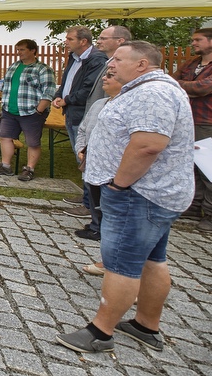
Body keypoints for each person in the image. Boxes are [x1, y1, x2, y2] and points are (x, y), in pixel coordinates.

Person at [56, 41, 194, 354]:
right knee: (151, 259)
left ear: (142, 64)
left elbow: (148, 145)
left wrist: (118, 184)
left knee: (121, 264)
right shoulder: (147, 89)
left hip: (139, 194)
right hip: (148, 194)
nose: (110, 64)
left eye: (118, 58)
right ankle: (146, 325)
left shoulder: (152, 93)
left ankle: (99, 333)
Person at [66, 25, 132, 235]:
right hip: (91, 115)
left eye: (104, 38)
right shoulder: (104, 61)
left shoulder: (107, 63)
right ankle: (91, 206)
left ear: (120, 41)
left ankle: (98, 218)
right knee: (86, 162)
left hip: (106, 125)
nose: (99, 41)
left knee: (101, 174)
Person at [174, 27, 212, 233]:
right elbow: (171, 81)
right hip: (186, 121)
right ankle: (193, 206)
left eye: (198, 40)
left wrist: (183, 85)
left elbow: (204, 88)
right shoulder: (192, 63)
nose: (193, 43)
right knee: (190, 167)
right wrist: (189, 84)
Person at [74, 70, 123, 275]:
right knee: (101, 214)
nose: (105, 78)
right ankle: (108, 258)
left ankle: (117, 266)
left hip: (114, 173)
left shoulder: (126, 106)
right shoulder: (99, 104)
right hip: (93, 168)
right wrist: (80, 149)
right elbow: (84, 129)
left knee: (116, 221)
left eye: (112, 75)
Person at [0, 39, 57, 181]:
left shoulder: (43, 69)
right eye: (18, 49)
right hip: (10, 110)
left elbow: (49, 91)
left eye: (22, 49)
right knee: (5, 137)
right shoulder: (14, 66)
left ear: (32, 50)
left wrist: (39, 110)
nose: (18, 52)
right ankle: (5, 166)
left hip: (31, 112)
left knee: (32, 142)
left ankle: (29, 169)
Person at [53, 26, 108, 146]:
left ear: (83, 41)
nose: (65, 42)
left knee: (84, 154)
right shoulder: (73, 57)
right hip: (71, 112)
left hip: (83, 114)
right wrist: (58, 95)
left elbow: (89, 89)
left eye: (70, 39)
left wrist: (66, 100)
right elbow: (68, 81)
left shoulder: (97, 59)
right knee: (78, 151)